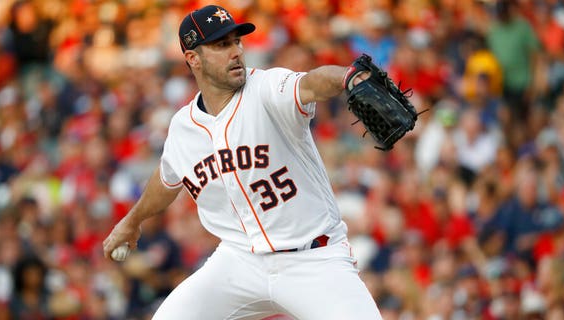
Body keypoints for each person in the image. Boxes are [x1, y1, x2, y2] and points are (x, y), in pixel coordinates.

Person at [103, 5, 382, 319]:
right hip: (239, 263)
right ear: (193, 58)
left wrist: (347, 77)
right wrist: (132, 220)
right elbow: (168, 178)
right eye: (222, 45)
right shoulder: (184, 127)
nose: (236, 51)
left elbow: (311, 83)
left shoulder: (266, 88)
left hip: (314, 259)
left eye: (237, 41)